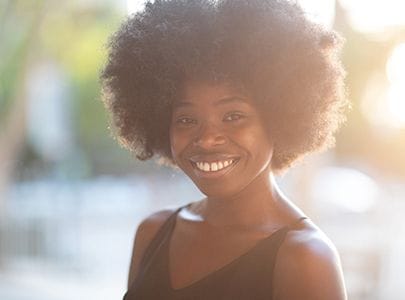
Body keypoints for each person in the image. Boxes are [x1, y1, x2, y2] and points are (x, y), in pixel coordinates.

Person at [101, 0, 349, 299]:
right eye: (186, 119)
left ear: (281, 116)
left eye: (233, 116)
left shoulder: (304, 259)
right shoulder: (152, 233)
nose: (206, 139)